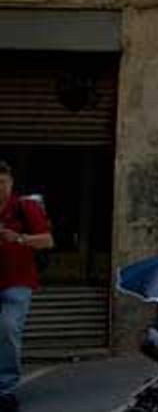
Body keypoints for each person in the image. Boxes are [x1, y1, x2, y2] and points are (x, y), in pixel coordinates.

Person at [0, 162, 54, 412]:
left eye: (3, 182)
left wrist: (18, 238)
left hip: (17, 281)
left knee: (9, 328)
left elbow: (47, 241)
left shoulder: (25, 206)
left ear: (11, 182)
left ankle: (5, 388)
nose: (0, 188)